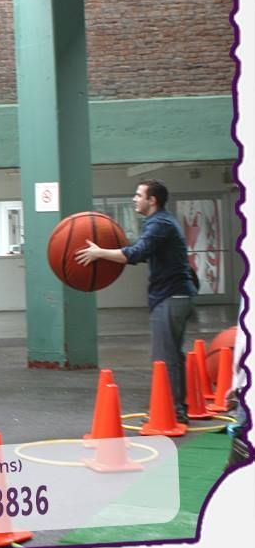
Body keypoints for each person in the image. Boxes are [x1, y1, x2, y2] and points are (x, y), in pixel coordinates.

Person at [75, 179, 197, 423]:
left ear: (152, 200)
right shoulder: (159, 221)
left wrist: (99, 253)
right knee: (172, 355)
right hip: (177, 294)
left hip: (171, 296)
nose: (134, 199)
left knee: (164, 358)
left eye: (139, 195)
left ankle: (172, 412)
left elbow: (136, 253)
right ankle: (177, 408)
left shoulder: (160, 223)